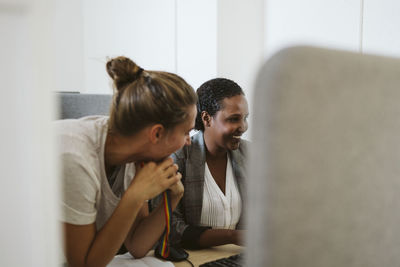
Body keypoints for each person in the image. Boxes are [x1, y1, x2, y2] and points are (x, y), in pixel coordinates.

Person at [55, 56, 197, 267]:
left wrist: (174, 196)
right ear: (156, 133)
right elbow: (84, 264)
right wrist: (135, 195)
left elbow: (137, 246)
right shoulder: (75, 158)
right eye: (186, 132)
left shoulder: (134, 156)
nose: (188, 142)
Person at [169, 77, 249, 249]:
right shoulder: (179, 157)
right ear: (206, 118)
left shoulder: (250, 154)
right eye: (234, 119)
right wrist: (231, 236)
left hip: (236, 257)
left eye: (245, 118)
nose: (243, 127)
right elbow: (171, 228)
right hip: (193, 259)